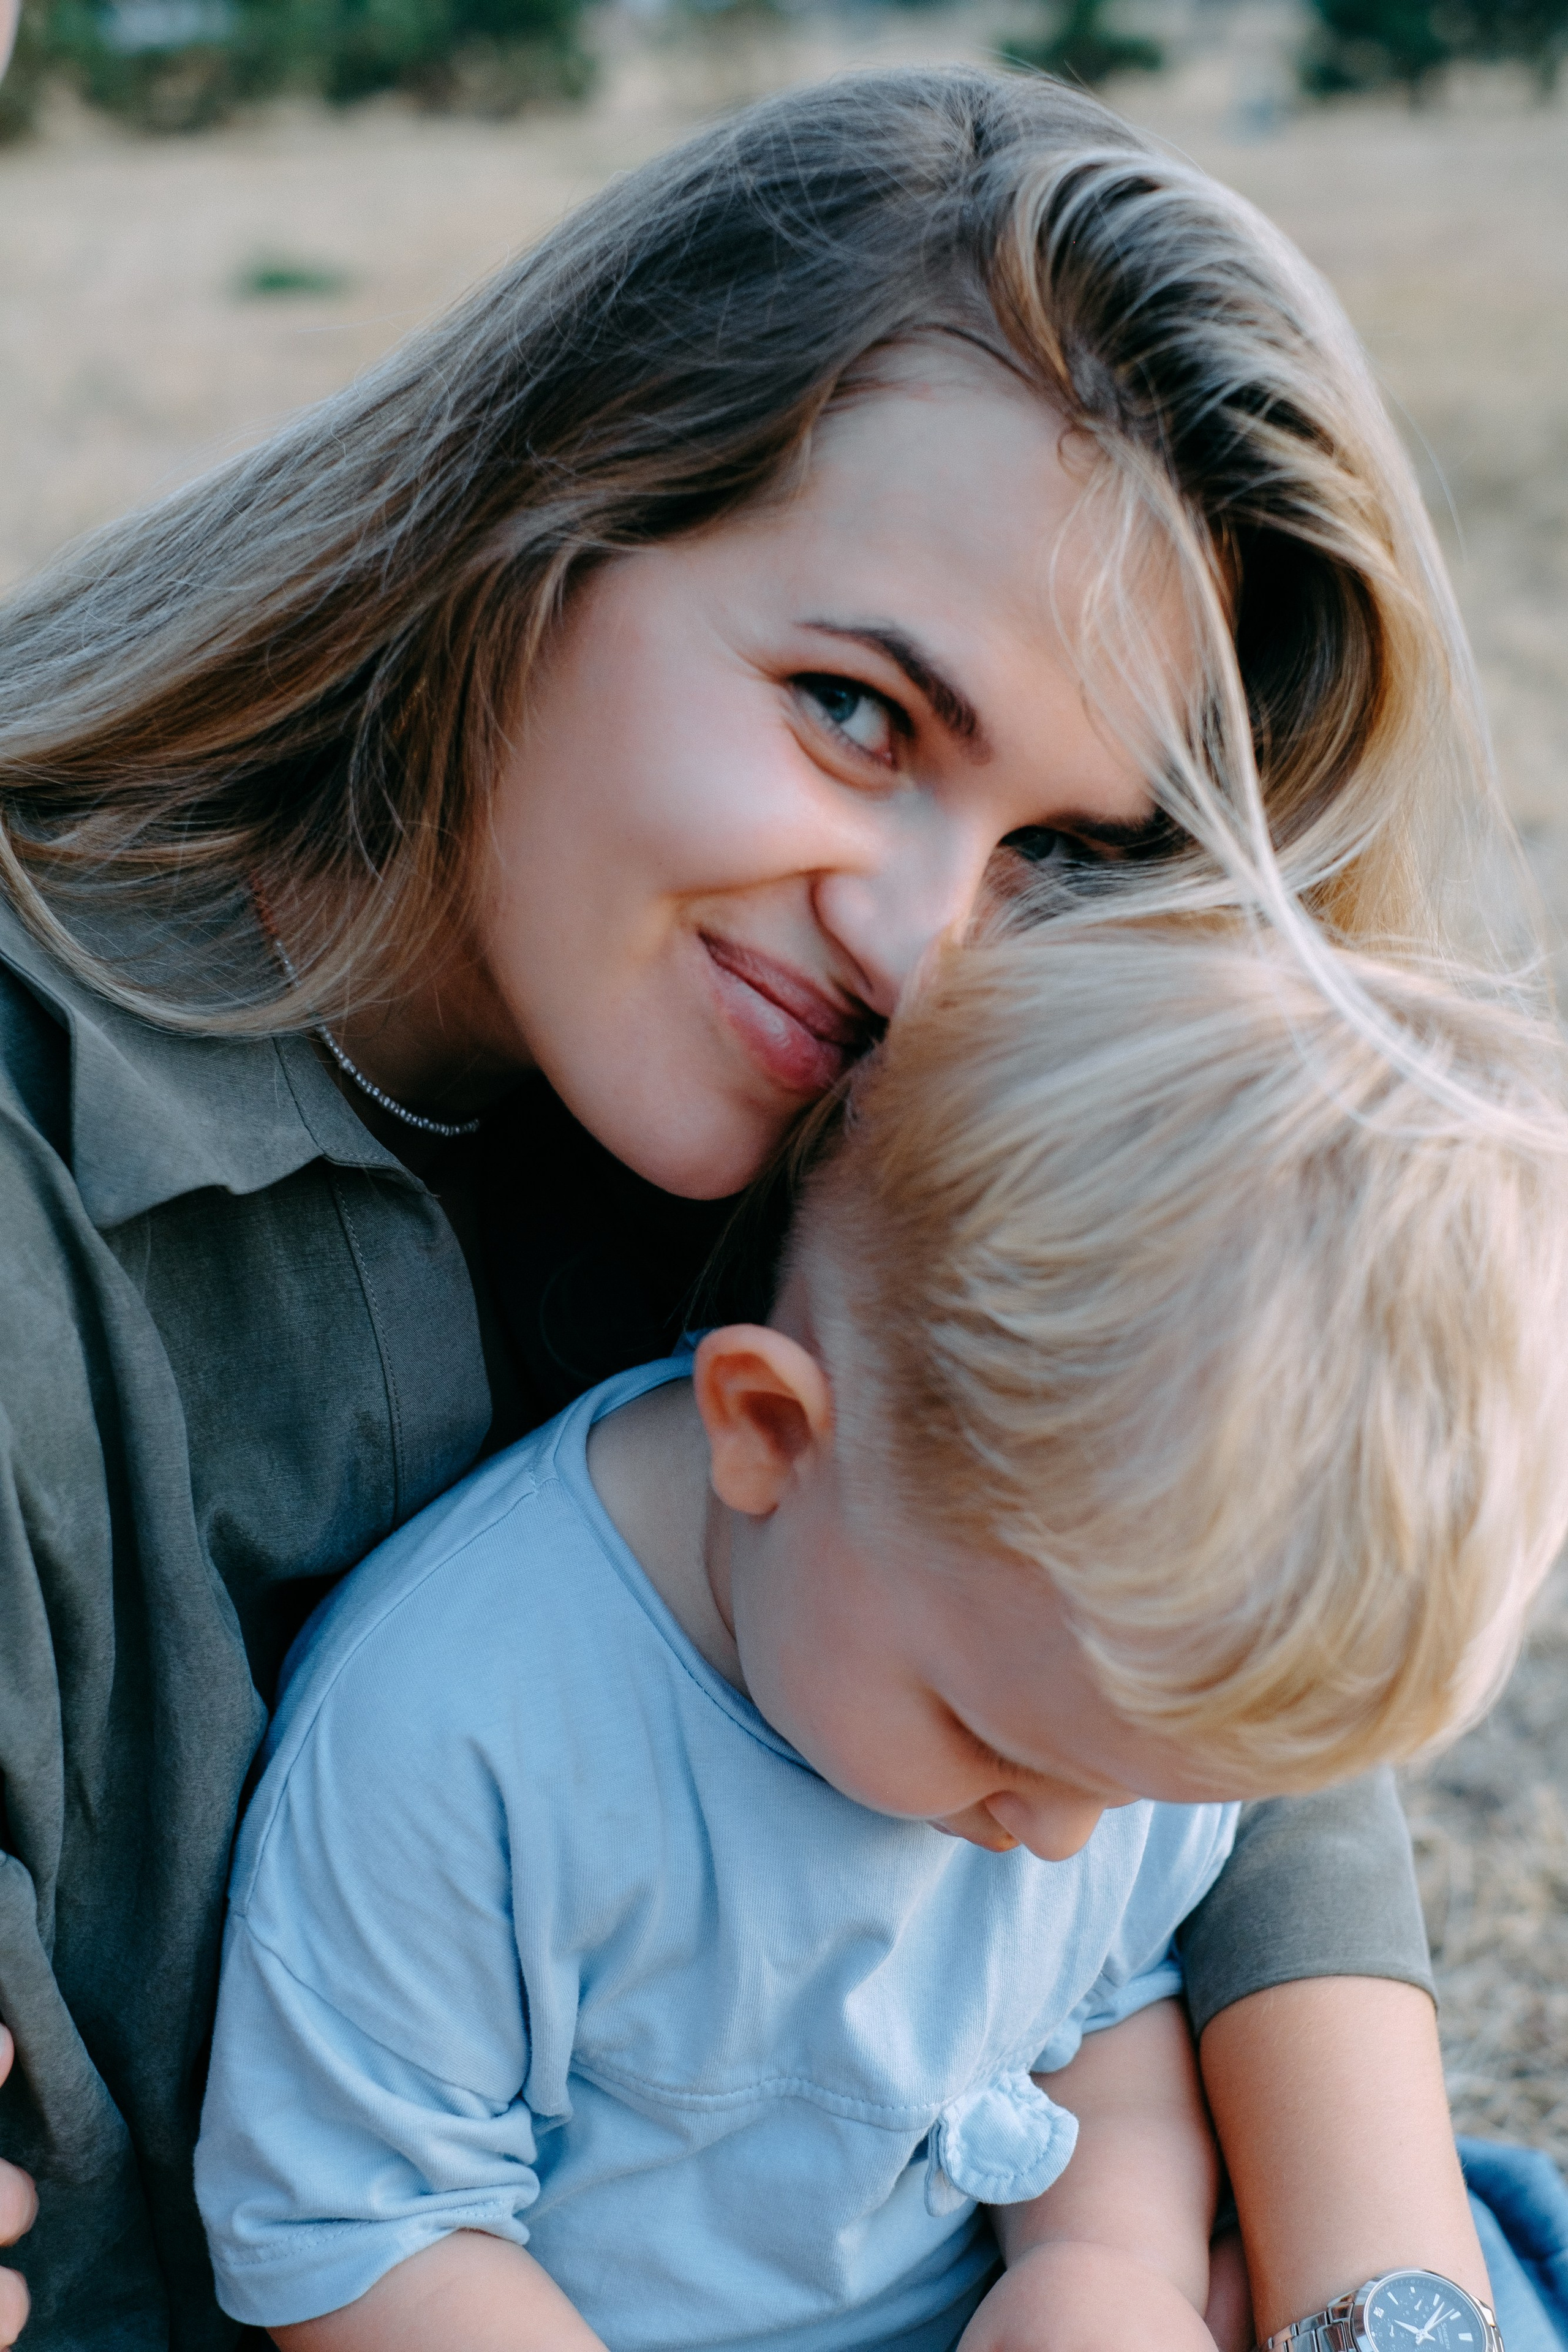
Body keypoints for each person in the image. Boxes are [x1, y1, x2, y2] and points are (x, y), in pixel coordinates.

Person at [0, 61, 1528, 2350]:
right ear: (535, 530)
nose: (931, 939)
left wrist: (1383, 2307)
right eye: (852, 712)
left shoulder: (902, 1091)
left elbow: (1205, 1758)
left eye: (1068, 858)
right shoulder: (50, 1170)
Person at [191, 919, 1568, 2350]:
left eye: (1135, 1793)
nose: (1057, 1840)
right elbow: (373, 2232)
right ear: (769, 1434)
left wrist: (1100, 2269)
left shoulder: (1055, 1724)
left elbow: (1104, 2016)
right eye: (993, 1741)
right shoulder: (459, 1727)